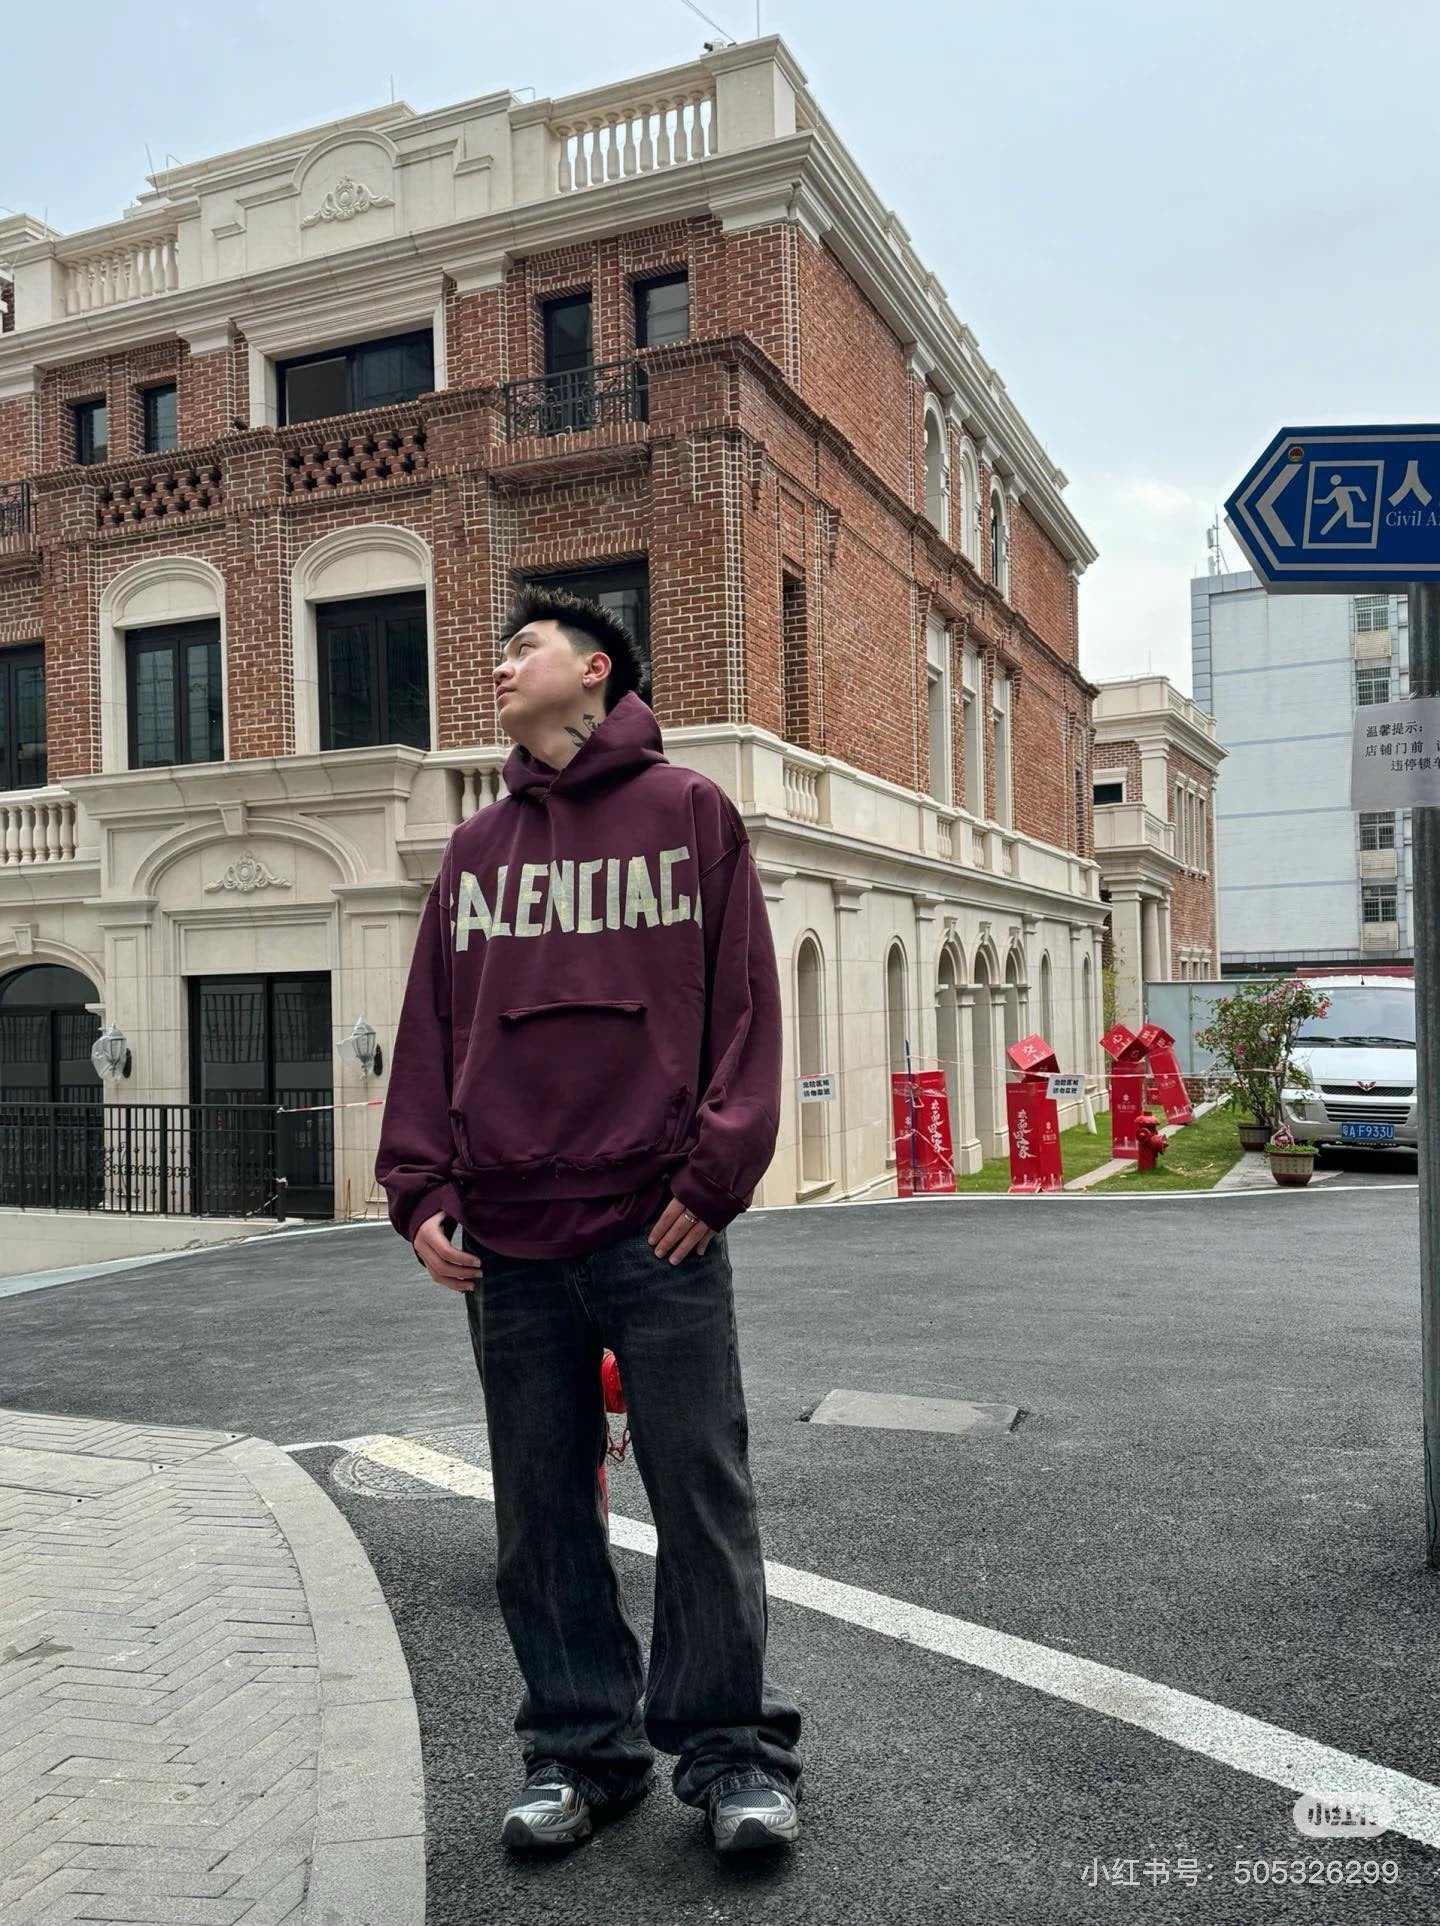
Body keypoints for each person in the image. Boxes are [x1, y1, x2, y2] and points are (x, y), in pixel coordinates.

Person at [374, 587, 804, 1858]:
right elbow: (431, 1031)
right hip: (509, 1237)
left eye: (524, 648)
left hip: (655, 1228)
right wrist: (421, 1189)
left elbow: (744, 1007)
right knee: (538, 1510)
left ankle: (734, 1760)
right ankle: (580, 1754)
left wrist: (714, 1178)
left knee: (699, 1493)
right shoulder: (473, 851)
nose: (501, 666)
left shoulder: (690, 817)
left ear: (596, 669)